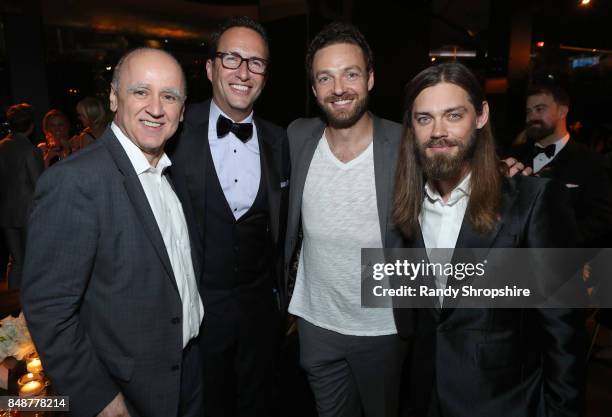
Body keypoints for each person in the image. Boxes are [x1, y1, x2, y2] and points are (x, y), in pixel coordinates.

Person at [393, 62, 584, 417]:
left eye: (453, 115)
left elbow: (563, 332)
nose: (438, 131)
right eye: (424, 118)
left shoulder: (534, 201)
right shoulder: (405, 205)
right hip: (423, 400)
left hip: (504, 403)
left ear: (480, 116)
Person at [22, 48, 204, 417]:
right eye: (140, 91)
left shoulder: (172, 173)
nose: (156, 108)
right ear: (113, 97)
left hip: (188, 375)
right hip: (125, 392)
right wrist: (101, 400)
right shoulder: (75, 182)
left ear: (182, 111)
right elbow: (48, 309)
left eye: (169, 96)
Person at [283, 22, 409, 417]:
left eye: (350, 74)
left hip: (383, 329)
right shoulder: (297, 136)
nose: (338, 88)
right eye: (325, 77)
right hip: (315, 325)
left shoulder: (405, 144)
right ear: (314, 87)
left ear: (370, 78)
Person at [169, 16, 289, 417]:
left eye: (255, 62)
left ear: (265, 76)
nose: (243, 72)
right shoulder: (173, 132)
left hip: (261, 313)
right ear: (209, 68)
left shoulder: (280, 140)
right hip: (195, 312)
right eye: (232, 58)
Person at [509, 82, 612, 248]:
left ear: (562, 111)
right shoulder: (513, 156)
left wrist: (559, 243)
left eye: (540, 109)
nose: (532, 117)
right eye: (528, 111)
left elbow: (601, 220)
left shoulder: (592, 163)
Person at [0, 103, 44, 288]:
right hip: (28, 212)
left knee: (16, 262)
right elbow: (39, 184)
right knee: (33, 262)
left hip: (5, 210)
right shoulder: (30, 150)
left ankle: (14, 308)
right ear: (31, 125)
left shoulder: (1, 146)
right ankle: (29, 308)